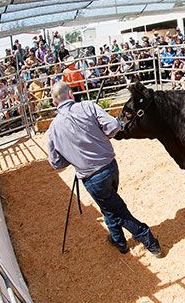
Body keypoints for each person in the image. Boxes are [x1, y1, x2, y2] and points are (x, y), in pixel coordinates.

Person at [46, 82, 163, 257]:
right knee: (110, 207)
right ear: (70, 94)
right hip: (110, 167)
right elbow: (114, 127)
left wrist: (73, 156)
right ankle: (119, 241)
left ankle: (148, 239)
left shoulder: (52, 130)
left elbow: (57, 163)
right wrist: (100, 136)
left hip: (92, 178)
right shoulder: (87, 106)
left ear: (55, 103)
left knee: (117, 211)